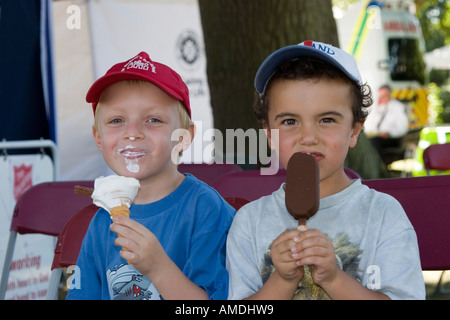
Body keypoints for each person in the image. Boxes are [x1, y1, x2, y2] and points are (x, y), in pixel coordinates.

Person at [226, 40, 425, 300]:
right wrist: (283, 280)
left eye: (327, 119)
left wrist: (333, 279)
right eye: (289, 121)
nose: (308, 136)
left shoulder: (383, 215)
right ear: (269, 134)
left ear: (354, 130)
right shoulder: (249, 223)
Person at [66, 52, 235, 300]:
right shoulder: (103, 219)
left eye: (153, 119)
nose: (132, 133)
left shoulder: (206, 211)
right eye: (116, 120)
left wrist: (159, 268)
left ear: (184, 137)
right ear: (99, 138)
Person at [364, 84, 409, 164]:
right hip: (380, 137)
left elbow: (403, 128)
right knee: (365, 141)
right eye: (381, 96)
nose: (382, 98)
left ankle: (380, 166)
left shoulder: (398, 107)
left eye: (384, 95)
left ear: (390, 93)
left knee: (374, 142)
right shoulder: (381, 108)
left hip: (393, 139)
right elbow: (375, 125)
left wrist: (389, 133)